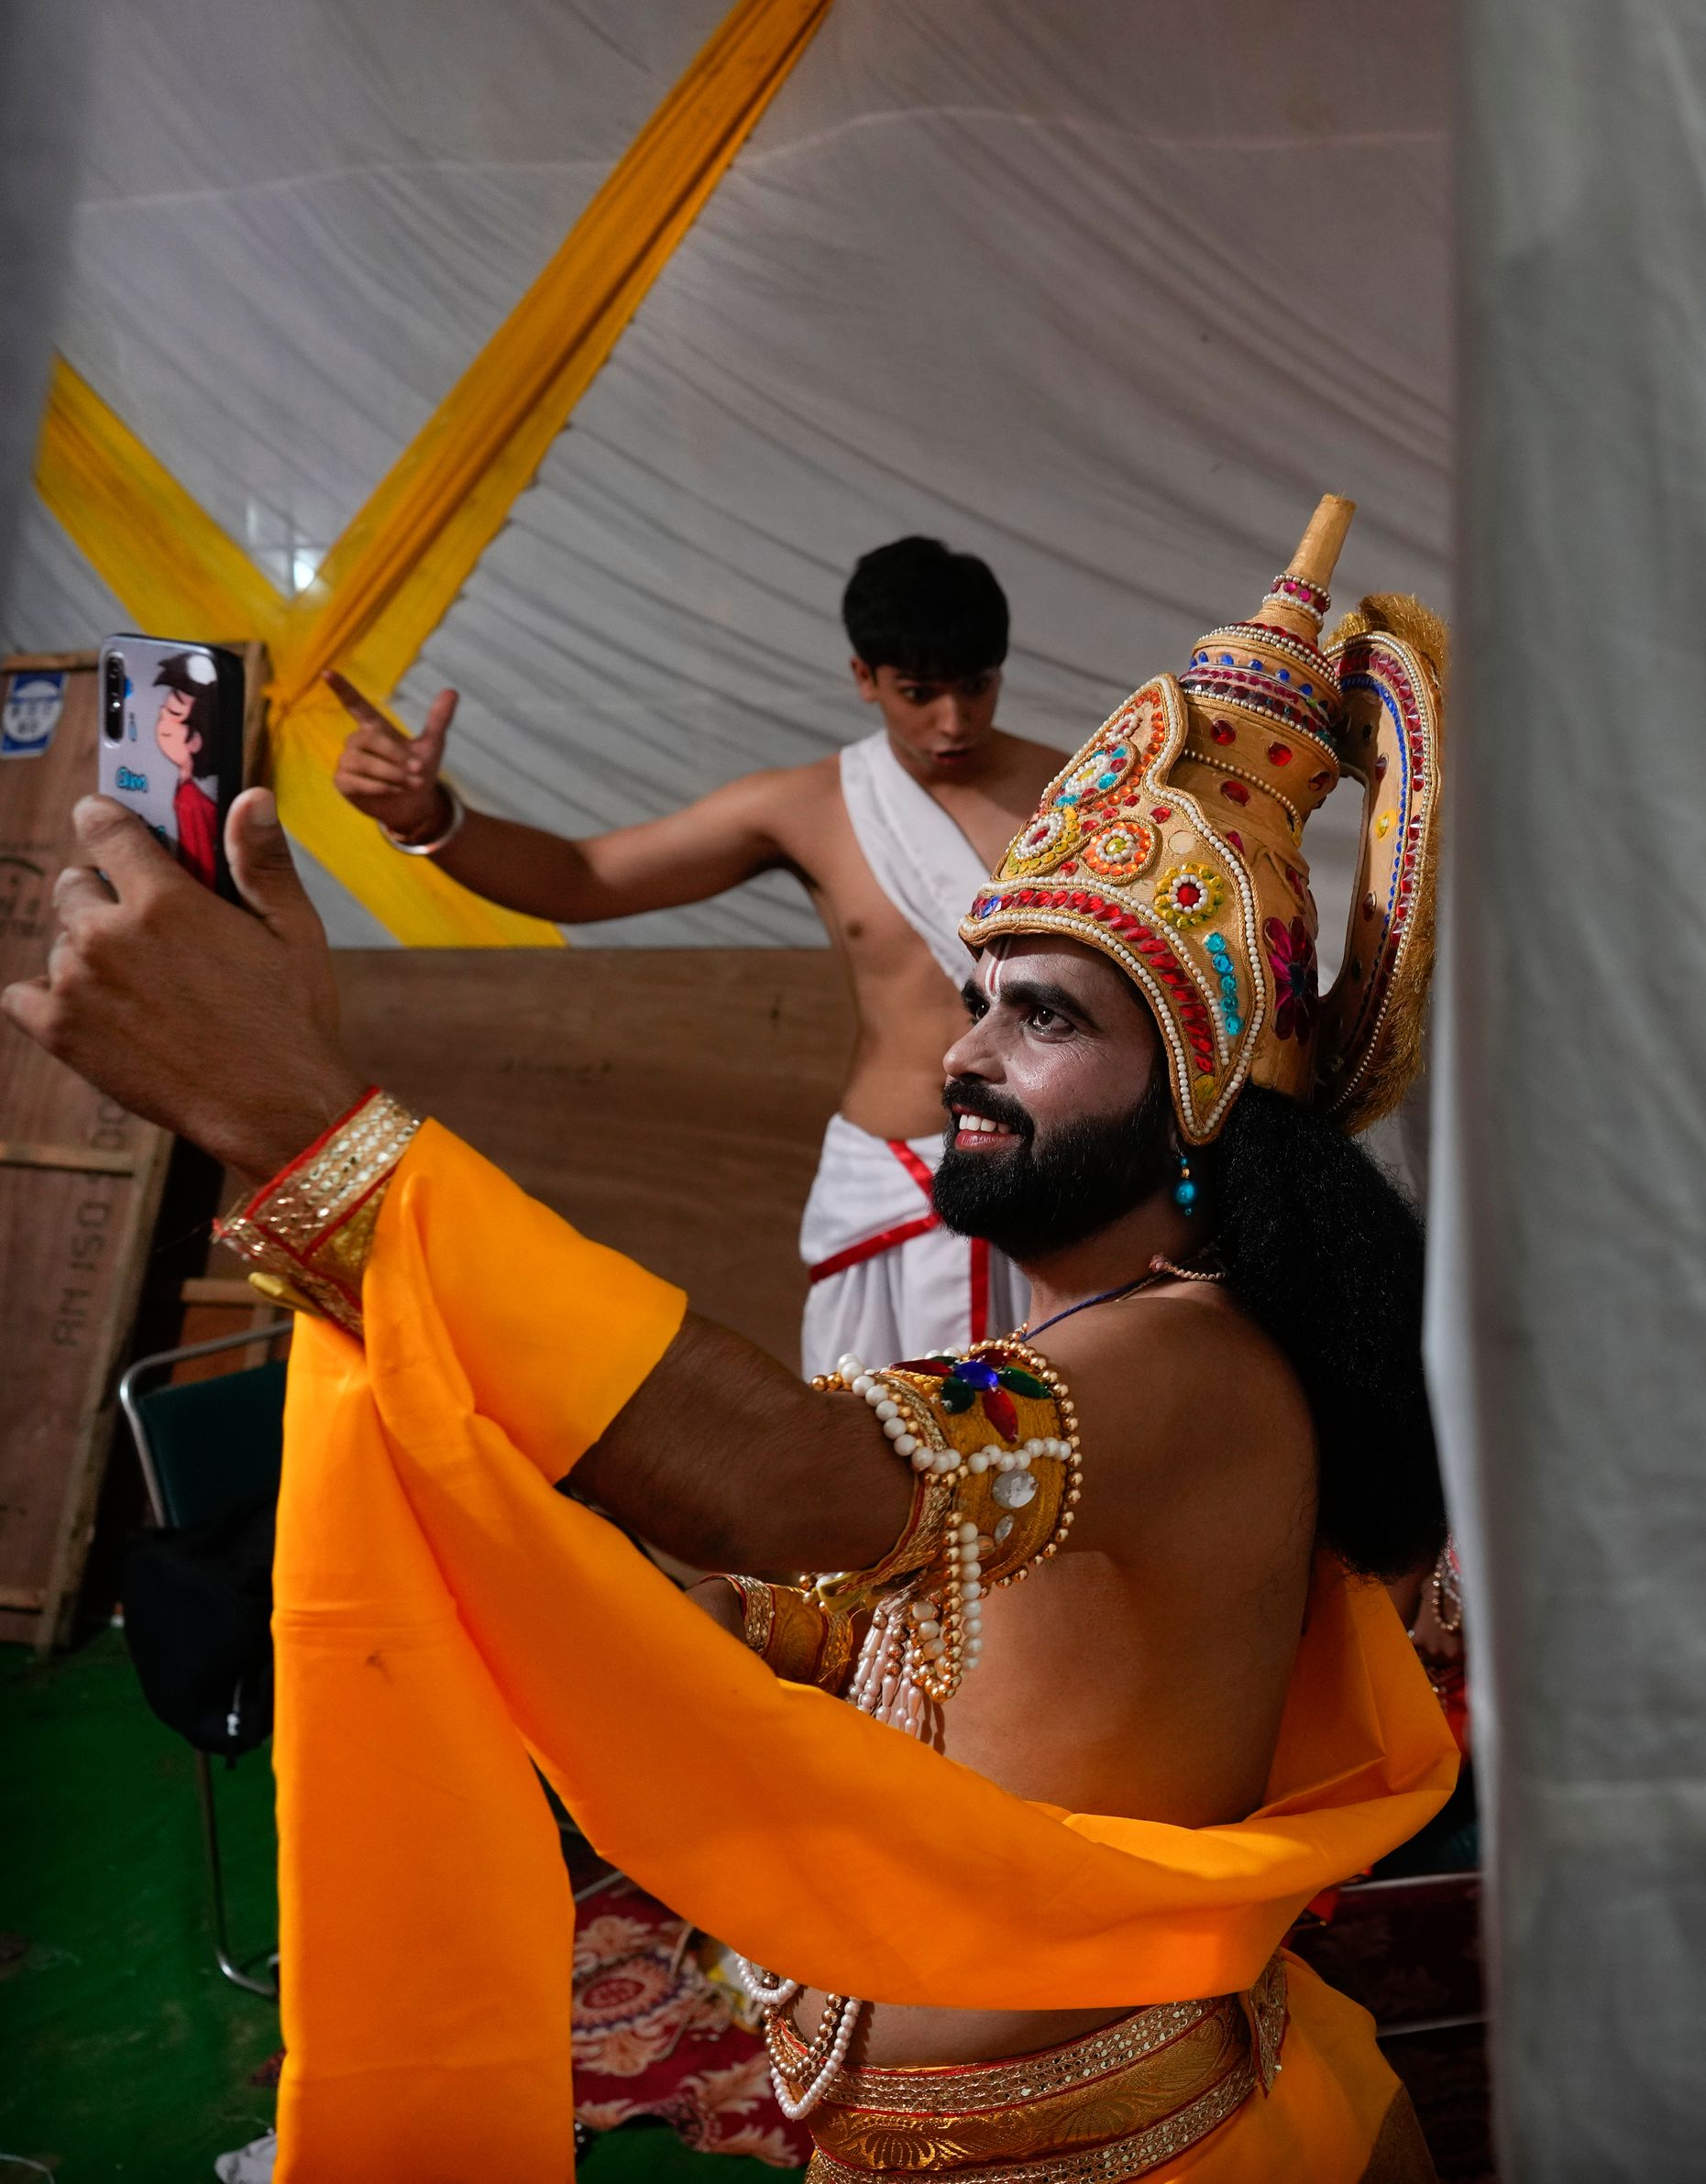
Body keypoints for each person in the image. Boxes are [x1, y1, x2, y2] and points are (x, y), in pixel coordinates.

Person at [14, 500, 1460, 2180]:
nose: (962, 1056)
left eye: (1045, 1012)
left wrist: (306, 1125)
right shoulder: (1112, 1333)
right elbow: (885, 1605)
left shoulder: (1190, 1369)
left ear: (1208, 1089)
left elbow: (793, 1484)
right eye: (977, 994)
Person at [329, 537, 1063, 1371]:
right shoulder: (804, 807)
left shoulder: (1082, 791)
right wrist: (426, 818)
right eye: (919, 693)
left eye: (976, 687)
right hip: (887, 1175)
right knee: (869, 1452)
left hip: (1041, 1171)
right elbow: (586, 876)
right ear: (864, 678)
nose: (954, 722)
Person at [151, 647, 227, 892]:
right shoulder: (187, 793)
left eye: (174, 713)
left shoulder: (192, 803)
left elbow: (202, 876)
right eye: (165, 709)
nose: (162, 716)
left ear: (195, 741)